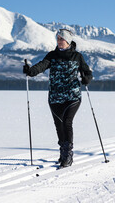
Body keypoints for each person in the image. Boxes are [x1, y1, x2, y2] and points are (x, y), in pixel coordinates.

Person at [23, 29, 93, 168]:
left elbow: (87, 72)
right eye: (58, 39)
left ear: (68, 41)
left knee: (67, 122)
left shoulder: (76, 56)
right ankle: (63, 152)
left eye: (62, 39)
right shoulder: (52, 55)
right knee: (59, 125)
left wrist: (86, 79)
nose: (59, 41)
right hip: (55, 97)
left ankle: (68, 155)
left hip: (72, 96)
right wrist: (30, 71)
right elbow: (41, 66)